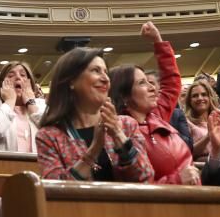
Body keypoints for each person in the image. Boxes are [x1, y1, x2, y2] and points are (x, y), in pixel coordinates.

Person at [36, 47, 154, 182]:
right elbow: (56, 193)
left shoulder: (127, 125)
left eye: (106, 72)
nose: (106, 79)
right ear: (71, 81)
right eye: (96, 71)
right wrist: (94, 150)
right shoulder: (49, 136)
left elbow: (146, 178)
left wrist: (118, 135)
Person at [109, 22, 198, 185]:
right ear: (124, 95)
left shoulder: (156, 115)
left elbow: (171, 83)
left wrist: (158, 40)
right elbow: (134, 185)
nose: (152, 88)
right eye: (142, 83)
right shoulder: (119, 131)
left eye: (150, 82)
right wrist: (177, 180)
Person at [0, 61, 46, 153]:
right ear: (1, 84)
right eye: (11, 76)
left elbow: (52, 132)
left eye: (23, 75)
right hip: (2, 165)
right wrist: (10, 101)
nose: (18, 77)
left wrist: (31, 103)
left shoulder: (41, 105)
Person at [184, 79, 220, 162]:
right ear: (189, 101)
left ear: (210, 97)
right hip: (201, 170)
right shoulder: (185, 122)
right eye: (195, 96)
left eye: (204, 94)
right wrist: (208, 136)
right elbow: (187, 153)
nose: (200, 98)